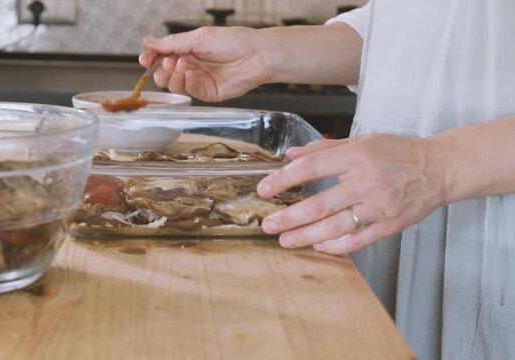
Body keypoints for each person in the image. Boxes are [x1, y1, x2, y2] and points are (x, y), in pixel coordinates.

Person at [139, 2, 515, 359]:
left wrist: (438, 166)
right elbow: (410, 29)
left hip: (492, 242)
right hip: (385, 219)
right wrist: (264, 52)